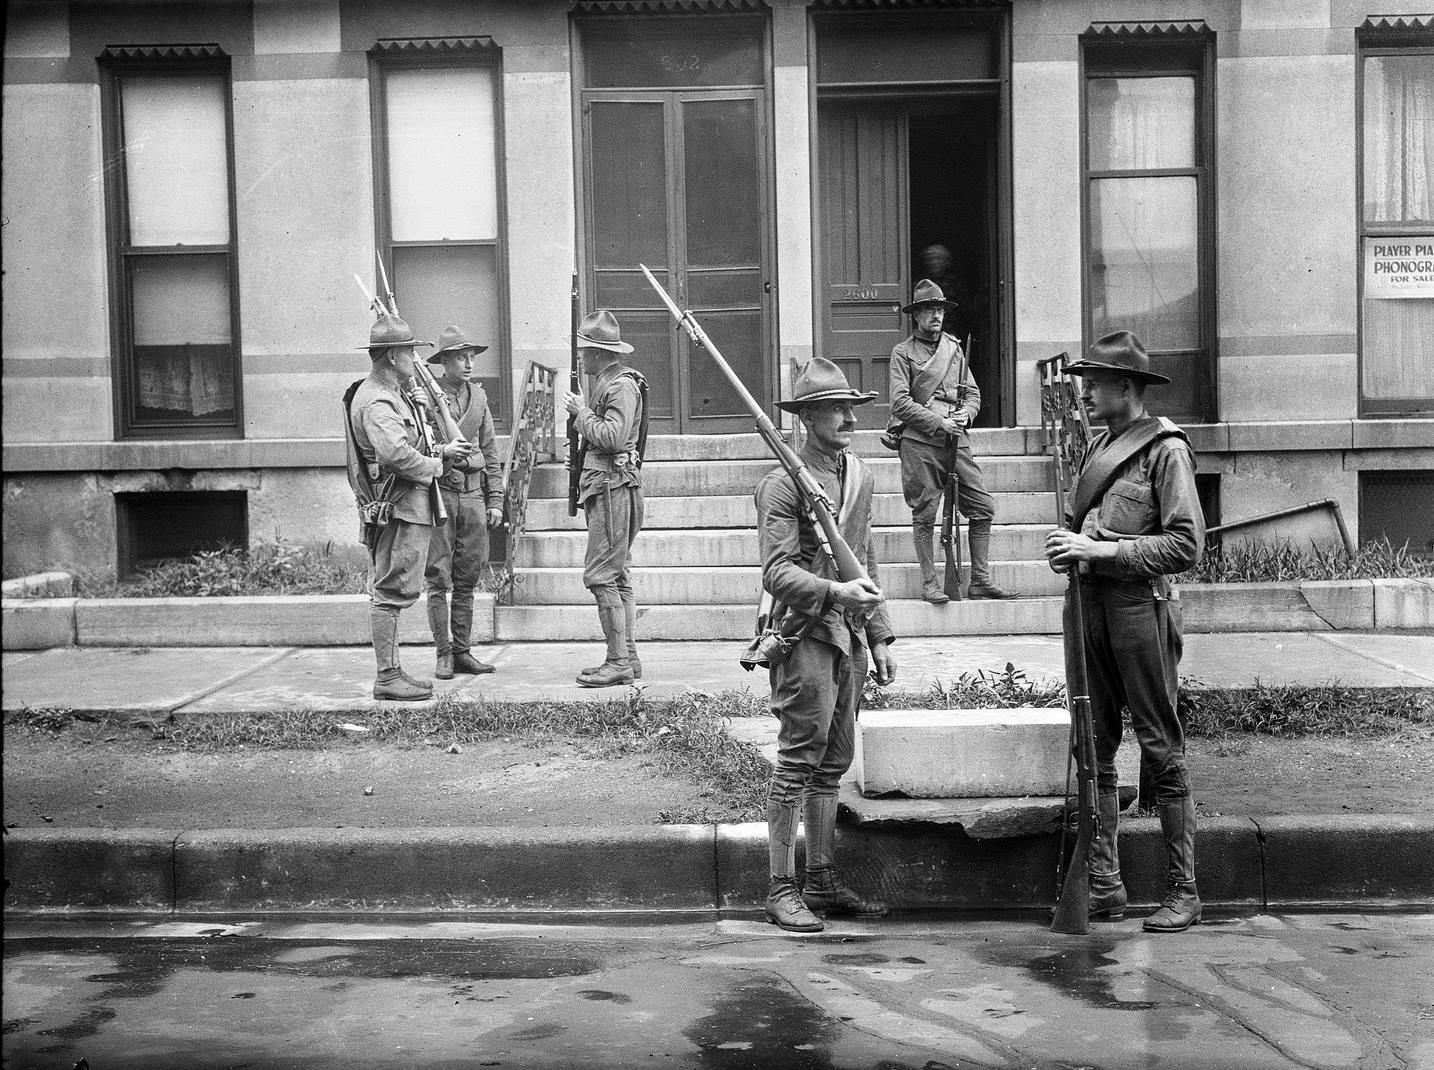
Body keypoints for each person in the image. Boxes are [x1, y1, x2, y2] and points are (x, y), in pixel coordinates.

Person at [1043, 330, 1206, 933]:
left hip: (1140, 608)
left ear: (1128, 388)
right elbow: (1088, 528)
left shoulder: (1166, 451)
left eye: (1095, 383)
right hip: (1090, 605)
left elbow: (1187, 544)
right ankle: (1106, 882)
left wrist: (1101, 549)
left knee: (1160, 746)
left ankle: (1183, 890)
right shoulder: (1097, 450)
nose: (1084, 393)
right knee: (1095, 742)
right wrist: (1071, 550)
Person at [756, 357, 897, 933]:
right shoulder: (783, 485)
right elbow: (777, 572)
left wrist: (882, 631)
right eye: (836, 409)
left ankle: (821, 879)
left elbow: (865, 555)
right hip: (804, 634)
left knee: (834, 762)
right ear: (808, 416)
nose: (848, 417)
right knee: (798, 760)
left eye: (852, 408)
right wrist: (836, 591)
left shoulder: (858, 474)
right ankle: (780, 887)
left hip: (853, 637)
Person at [347, 310, 473, 701]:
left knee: (395, 589)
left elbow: (408, 445)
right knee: (390, 591)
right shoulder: (379, 401)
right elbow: (396, 455)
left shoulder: (392, 396)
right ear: (391, 357)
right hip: (399, 506)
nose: (414, 360)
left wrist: (434, 440)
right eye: (408, 352)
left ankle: (393, 671)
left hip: (407, 503)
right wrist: (438, 462)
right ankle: (387, 676)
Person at [888, 279, 1014, 603]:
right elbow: (900, 402)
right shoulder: (902, 354)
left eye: (940, 309)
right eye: (929, 309)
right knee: (925, 513)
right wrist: (938, 421)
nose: (936, 315)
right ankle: (930, 583)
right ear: (915, 315)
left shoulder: (954, 348)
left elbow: (972, 392)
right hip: (920, 441)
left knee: (982, 506)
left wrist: (965, 416)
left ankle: (981, 580)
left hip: (957, 439)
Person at [562, 310, 648, 688]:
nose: (581, 358)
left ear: (598, 354)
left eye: (585, 352)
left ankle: (617, 661)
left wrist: (580, 414)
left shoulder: (619, 386)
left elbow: (612, 438)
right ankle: (627, 658)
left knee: (601, 575)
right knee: (617, 574)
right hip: (607, 485)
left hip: (613, 488)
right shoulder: (610, 383)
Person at [423, 325, 506, 680]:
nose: (469, 364)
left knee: (468, 576)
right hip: (441, 491)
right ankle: (443, 654)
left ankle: (462, 651)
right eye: (461, 357)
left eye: (472, 357)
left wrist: (496, 498)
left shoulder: (480, 399)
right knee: (438, 577)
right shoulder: (426, 397)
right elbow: (420, 445)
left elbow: (489, 449)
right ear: (443, 362)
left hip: (473, 493)